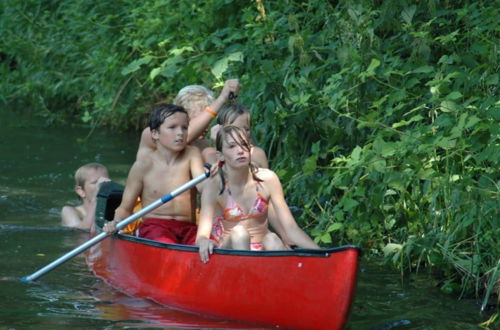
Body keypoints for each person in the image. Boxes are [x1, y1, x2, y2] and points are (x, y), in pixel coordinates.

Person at [196, 126, 319, 263]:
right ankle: (245, 281)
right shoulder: (214, 185)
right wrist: (204, 242)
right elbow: (201, 235)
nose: (240, 151)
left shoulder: (268, 179)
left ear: (250, 149)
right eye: (231, 147)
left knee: (272, 239)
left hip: (262, 251)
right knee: (239, 233)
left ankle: (279, 281)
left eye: (243, 145)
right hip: (229, 254)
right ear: (221, 156)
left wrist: (322, 255)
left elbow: (291, 228)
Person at [103, 104, 206, 245]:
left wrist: (214, 177)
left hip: (188, 228)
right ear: (155, 134)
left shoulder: (192, 154)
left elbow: (203, 187)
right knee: (165, 241)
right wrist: (115, 223)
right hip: (155, 226)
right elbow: (125, 208)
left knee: (209, 245)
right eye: (172, 127)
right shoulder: (142, 165)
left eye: (184, 128)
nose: (180, 133)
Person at [136, 79, 240, 160]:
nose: (205, 126)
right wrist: (222, 99)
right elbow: (186, 136)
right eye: (200, 120)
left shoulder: (204, 145)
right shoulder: (153, 134)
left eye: (208, 121)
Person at [202, 103, 268, 168]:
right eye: (234, 129)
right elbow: (218, 176)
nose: (242, 134)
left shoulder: (255, 153)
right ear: (219, 130)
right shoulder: (209, 154)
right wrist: (219, 144)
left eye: (246, 129)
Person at [61, 163, 110, 230]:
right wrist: (96, 198)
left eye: (106, 181)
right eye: (95, 182)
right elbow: (83, 230)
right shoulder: (69, 211)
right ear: (81, 191)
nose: (103, 185)